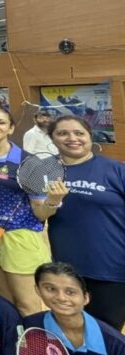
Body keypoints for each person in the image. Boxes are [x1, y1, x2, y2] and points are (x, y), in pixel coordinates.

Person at [0, 107, 58, 316]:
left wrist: (53, 201)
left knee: (27, 305)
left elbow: (40, 213)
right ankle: (10, 337)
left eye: (0, 122)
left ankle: (32, 338)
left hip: (20, 238)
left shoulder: (29, 163)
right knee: (2, 304)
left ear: (11, 128)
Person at [45, 115, 125, 329]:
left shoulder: (115, 170)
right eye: (63, 133)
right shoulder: (46, 172)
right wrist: (52, 201)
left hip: (112, 269)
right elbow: (37, 215)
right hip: (65, 270)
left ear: (90, 137)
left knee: (105, 333)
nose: (72, 138)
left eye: (79, 133)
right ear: (52, 138)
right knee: (68, 329)